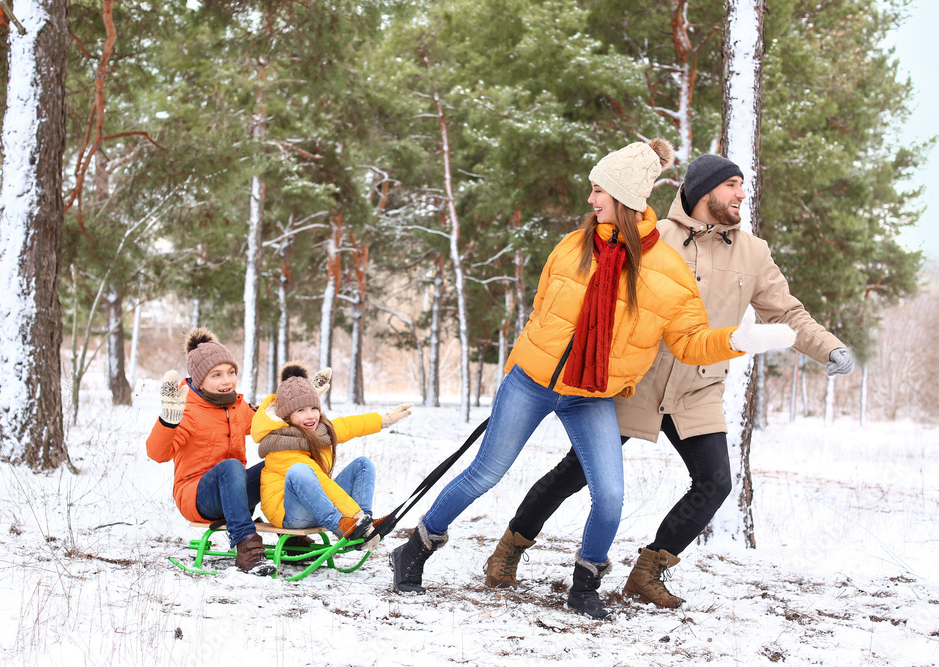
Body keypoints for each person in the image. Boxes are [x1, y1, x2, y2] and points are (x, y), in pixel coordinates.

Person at [388, 139, 798, 619]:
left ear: (623, 196)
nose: (590, 199)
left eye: (598, 190)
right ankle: (413, 550)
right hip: (533, 382)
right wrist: (536, 360)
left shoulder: (665, 270)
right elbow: (542, 309)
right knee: (485, 473)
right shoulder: (573, 246)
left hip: (592, 395)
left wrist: (740, 340)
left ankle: (584, 585)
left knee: (610, 493)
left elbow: (690, 342)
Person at [483, 153, 856, 609]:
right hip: (635, 380)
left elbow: (787, 312)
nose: (742, 193)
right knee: (575, 473)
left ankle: (648, 572)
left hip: (698, 387)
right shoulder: (649, 237)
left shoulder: (753, 253)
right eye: (733, 185)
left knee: (715, 481)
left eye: (742, 186)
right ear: (704, 191)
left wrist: (829, 347)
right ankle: (510, 548)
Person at [251, 362, 412, 552]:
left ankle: (365, 527)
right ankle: (345, 526)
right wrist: (354, 513)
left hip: (316, 503)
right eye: (300, 411)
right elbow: (321, 481)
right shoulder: (280, 443)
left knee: (362, 464)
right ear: (287, 417)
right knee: (300, 471)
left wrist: (383, 420)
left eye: (313, 408)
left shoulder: (318, 431)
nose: (310, 416)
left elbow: (348, 425)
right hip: (290, 513)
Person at [146, 327, 267, 572]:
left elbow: (268, 424)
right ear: (200, 380)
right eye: (216, 375)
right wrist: (169, 420)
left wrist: (301, 401)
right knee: (231, 466)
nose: (227, 381)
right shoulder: (187, 410)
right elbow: (157, 454)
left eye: (231, 372)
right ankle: (246, 546)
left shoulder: (236, 406)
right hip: (199, 497)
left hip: (234, 494)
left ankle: (293, 531)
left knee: (280, 463)